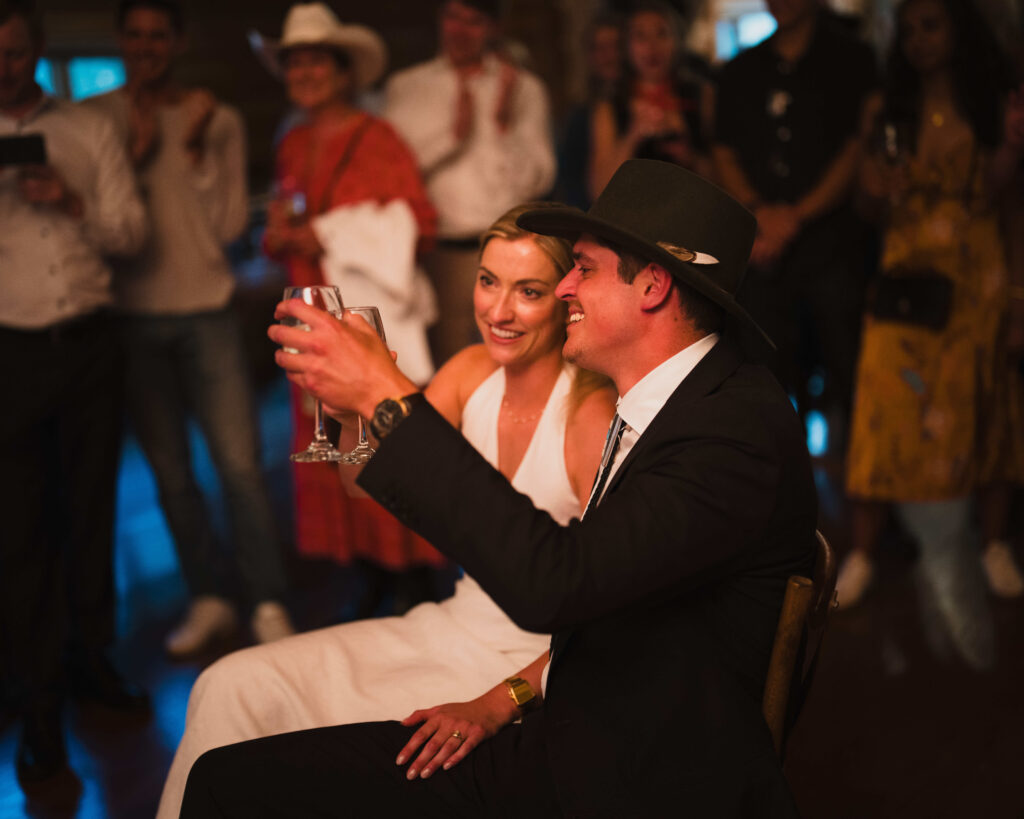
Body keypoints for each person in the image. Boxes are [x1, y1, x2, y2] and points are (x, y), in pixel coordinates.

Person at [181, 159, 818, 817]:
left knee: (233, 788)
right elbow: (607, 599)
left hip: (627, 777)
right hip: (573, 727)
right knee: (227, 764)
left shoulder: (730, 431)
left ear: (654, 285)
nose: (567, 285)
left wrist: (387, 396)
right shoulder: (674, 402)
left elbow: (557, 582)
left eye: (585, 269)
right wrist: (501, 702)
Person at [155, 202, 616, 819]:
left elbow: (608, 614)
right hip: (450, 624)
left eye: (527, 291)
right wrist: (349, 416)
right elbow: (360, 488)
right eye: (487, 281)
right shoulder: (469, 373)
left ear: (564, 298)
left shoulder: (589, 417)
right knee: (228, 682)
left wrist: (500, 700)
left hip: (528, 664)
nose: (498, 311)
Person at [86, 0, 296, 657]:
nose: (146, 47)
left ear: (177, 42)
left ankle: (268, 600)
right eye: (134, 35)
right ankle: (209, 595)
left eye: (158, 35)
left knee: (239, 464)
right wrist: (135, 152)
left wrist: (196, 146)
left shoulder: (219, 117)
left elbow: (233, 225)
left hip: (207, 311)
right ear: (120, 40)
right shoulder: (94, 122)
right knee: (170, 474)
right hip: (132, 318)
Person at [836, 0, 1024, 664]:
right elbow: (863, 204)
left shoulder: (992, 102)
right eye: (909, 28)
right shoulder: (885, 106)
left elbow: (1008, 203)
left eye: (931, 24)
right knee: (884, 410)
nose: (918, 39)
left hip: (976, 272)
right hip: (906, 273)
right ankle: (861, 550)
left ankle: (992, 542)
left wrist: (1019, 298)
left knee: (984, 405)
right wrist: (876, 185)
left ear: (958, 28)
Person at [0, 0, 150, 786]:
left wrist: (69, 200)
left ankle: (93, 656)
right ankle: (38, 709)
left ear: (37, 49)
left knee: (93, 513)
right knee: (21, 531)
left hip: (92, 344)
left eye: (14, 52)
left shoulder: (88, 129)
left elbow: (131, 233)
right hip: (10, 355)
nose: (2, 67)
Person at [262, 2, 444, 607]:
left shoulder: (377, 138)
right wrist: (286, 234)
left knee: (380, 439)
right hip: (308, 317)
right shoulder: (291, 142)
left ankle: (409, 570)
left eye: (317, 62)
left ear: (343, 72)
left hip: (361, 322)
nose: (305, 74)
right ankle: (366, 568)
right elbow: (286, 216)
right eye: (295, 64)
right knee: (330, 443)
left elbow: (417, 218)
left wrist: (328, 233)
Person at [713, 0, 877, 440]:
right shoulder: (740, 69)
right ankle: (774, 487)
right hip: (761, 247)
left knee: (849, 372)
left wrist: (795, 216)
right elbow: (723, 150)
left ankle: (851, 490)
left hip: (833, 243)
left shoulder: (853, 59)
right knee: (761, 376)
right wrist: (762, 214)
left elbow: (856, 147)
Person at [385, 0, 557, 367]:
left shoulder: (525, 89)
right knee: (450, 368)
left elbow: (540, 179)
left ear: (494, 28)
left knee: (518, 363)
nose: (460, 30)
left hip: (512, 250)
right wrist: (451, 137)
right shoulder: (407, 87)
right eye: (452, 17)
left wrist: (503, 125)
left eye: (474, 21)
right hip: (441, 255)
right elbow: (391, 175)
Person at [589, 0, 713, 199]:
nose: (652, 46)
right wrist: (634, 134)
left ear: (677, 41)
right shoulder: (611, 105)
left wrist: (688, 154)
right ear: (626, 46)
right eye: (640, 36)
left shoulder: (700, 94)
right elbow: (598, 190)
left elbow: (723, 178)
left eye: (662, 33)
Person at [553, 10, 622, 210]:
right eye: (599, 48)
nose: (608, 56)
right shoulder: (579, 115)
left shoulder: (637, 106)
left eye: (614, 46)